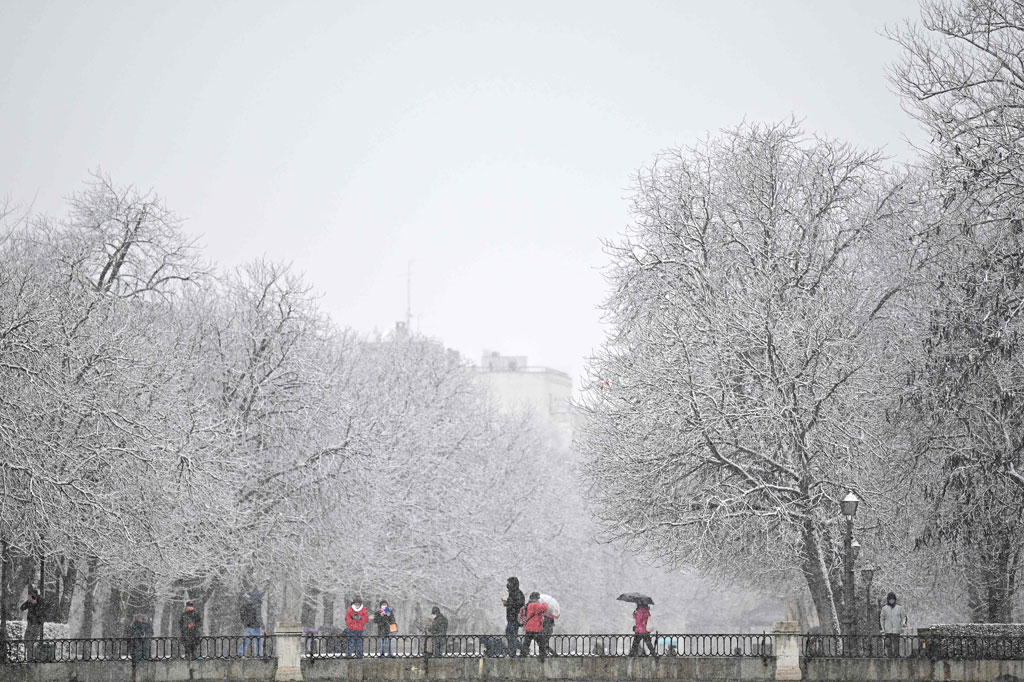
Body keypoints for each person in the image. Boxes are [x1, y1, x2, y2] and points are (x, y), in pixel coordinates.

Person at [519, 592, 549, 661]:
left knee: (526, 643)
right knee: (542, 643)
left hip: (529, 628)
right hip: (536, 629)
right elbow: (544, 608)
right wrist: (544, 603)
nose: (539, 599)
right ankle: (542, 657)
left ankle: (523, 656)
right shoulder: (535, 605)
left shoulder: (529, 604)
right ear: (536, 598)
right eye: (538, 598)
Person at [237, 587, 264, 657]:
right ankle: (258, 655)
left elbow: (242, 614)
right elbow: (258, 617)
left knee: (246, 641)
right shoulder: (257, 605)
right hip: (255, 627)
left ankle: (240, 652)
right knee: (258, 641)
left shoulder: (247, 604)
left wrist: (245, 623)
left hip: (247, 626)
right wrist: (263, 626)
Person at [879, 592, 908, 657]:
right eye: (890, 599)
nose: (891, 600)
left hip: (896, 629)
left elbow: (903, 617)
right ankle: (889, 655)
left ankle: (896, 655)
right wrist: (883, 628)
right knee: (888, 644)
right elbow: (882, 619)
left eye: (892, 599)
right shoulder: (884, 608)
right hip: (888, 630)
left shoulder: (899, 608)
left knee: (896, 644)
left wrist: (903, 623)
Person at [20, 586, 45, 661]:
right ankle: (33, 657)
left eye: (30, 596)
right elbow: (22, 608)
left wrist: (35, 603)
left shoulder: (40, 601)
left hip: (37, 624)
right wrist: (28, 601)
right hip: (30, 623)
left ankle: (35, 657)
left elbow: (40, 613)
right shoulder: (30, 602)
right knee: (27, 640)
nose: (29, 597)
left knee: (31, 641)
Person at [502, 577, 525, 658]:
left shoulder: (518, 593)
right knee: (510, 635)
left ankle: (517, 651)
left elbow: (519, 605)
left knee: (511, 635)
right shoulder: (512, 593)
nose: (507, 585)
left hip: (514, 619)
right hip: (511, 618)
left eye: (509, 583)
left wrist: (508, 604)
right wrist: (507, 603)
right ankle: (514, 651)